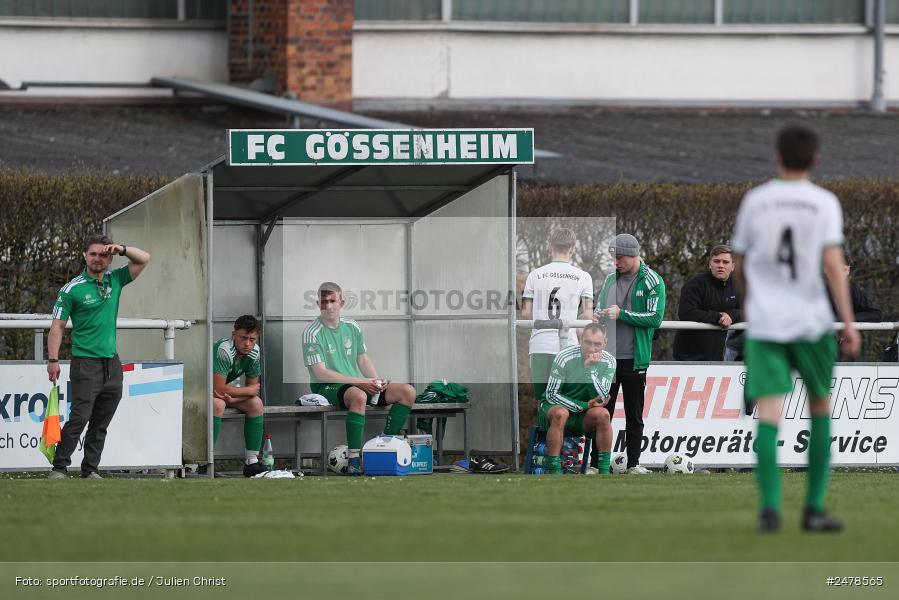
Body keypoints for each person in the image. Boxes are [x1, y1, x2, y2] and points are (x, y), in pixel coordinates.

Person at [733, 125, 860, 533]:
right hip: (811, 321)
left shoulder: (757, 200)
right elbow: (832, 264)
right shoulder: (823, 203)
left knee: (769, 413)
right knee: (820, 406)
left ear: (777, 156)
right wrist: (849, 321)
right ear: (816, 159)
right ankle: (813, 509)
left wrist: (752, 301)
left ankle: (770, 509)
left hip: (767, 323)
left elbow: (739, 264)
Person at [46, 234, 150, 479]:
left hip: (112, 363)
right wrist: (53, 360)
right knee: (80, 417)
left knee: (101, 420)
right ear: (84, 256)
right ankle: (59, 467)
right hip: (85, 362)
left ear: (110, 258)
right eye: (93, 254)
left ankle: (90, 469)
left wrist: (123, 248)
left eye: (103, 254)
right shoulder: (71, 289)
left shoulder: (116, 279)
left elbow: (144, 259)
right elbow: (57, 326)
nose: (97, 259)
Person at [302, 282, 416, 475]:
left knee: (408, 391)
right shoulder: (311, 333)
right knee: (359, 397)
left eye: (332, 301)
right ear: (317, 304)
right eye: (323, 302)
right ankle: (354, 460)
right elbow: (321, 373)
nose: (328, 306)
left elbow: (362, 359)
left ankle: (384, 445)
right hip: (326, 387)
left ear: (342, 302)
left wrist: (375, 380)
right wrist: (361, 382)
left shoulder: (352, 326)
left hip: (356, 383)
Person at [593, 233, 665, 474]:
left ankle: (634, 464)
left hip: (635, 360)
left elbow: (655, 318)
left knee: (634, 416)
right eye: (613, 258)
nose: (616, 262)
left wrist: (621, 313)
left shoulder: (653, 281)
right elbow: (601, 308)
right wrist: (598, 314)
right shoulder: (609, 280)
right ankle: (596, 465)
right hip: (607, 360)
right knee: (602, 414)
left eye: (620, 257)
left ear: (634, 255)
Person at [521, 228, 593, 403]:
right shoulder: (583, 277)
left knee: (544, 401)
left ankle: (545, 431)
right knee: (566, 400)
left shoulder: (534, 275)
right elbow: (587, 315)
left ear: (549, 247)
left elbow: (525, 313)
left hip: (540, 344)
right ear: (573, 249)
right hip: (568, 345)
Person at [539, 323, 615, 475]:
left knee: (603, 415)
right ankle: (555, 470)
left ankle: (604, 471)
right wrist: (583, 404)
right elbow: (551, 394)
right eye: (588, 342)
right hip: (555, 408)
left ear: (605, 343)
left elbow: (602, 396)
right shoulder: (564, 356)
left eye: (597, 344)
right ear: (581, 339)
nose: (592, 348)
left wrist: (590, 370)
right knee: (561, 413)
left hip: (583, 413)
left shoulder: (609, 361)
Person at [211, 315, 268, 477]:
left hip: (219, 393)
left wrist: (234, 399)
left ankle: (252, 462)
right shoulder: (224, 350)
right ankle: (205, 461)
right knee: (218, 404)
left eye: (252, 339)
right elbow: (219, 388)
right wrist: (245, 392)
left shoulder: (254, 352)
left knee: (256, 403)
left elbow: (253, 389)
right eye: (243, 338)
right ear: (233, 335)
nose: (248, 344)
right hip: (196, 390)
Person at [673, 244, 741, 361]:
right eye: (717, 261)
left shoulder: (738, 285)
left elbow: (748, 311)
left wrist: (731, 315)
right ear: (710, 264)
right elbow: (686, 312)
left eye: (725, 262)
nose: (721, 265)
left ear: (733, 266)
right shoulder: (695, 284)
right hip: (689, 357)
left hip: (722, 358)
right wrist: (718, 317)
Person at [825, 256, 882, 361]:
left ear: (848, 271)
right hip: (821, 349)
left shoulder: (852, 291)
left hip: (845, 352)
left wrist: (847, 322)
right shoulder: (818, 292)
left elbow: (876, 313)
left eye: (844, 270)